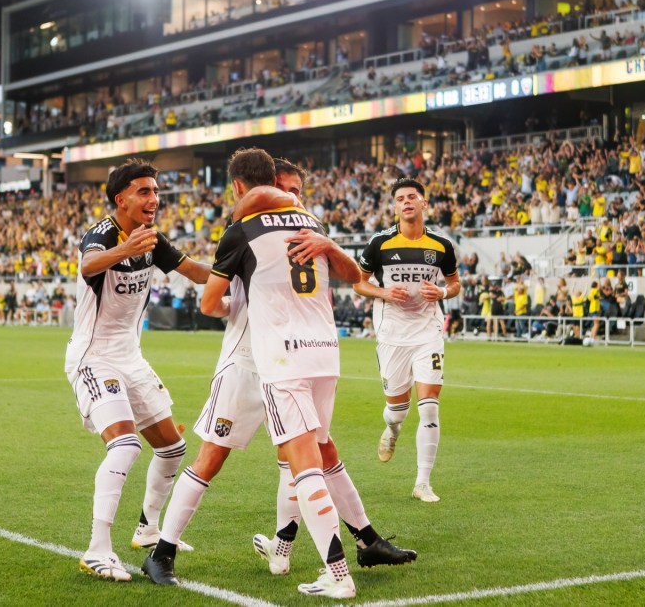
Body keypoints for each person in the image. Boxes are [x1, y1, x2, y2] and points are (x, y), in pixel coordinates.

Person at [142, 156, 415, 588]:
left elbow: (346, 275)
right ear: (269, 185)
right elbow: (218, 294)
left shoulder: (294, 229)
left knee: (314, 455)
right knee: (215, 457)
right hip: (247, 360)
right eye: (286, 189)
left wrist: (324, 244)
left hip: (285, 359)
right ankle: (163, 551)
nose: (292, 197)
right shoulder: (258, 225)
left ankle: (348, 541)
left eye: (298, 192)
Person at [187, 148, 355, 597]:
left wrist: (239, 303)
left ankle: (338, 575)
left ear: (238, 186)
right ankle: (286, 550)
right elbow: (355, 276)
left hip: (283, 357)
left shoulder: (242, 229)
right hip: (326, 353)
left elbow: (209, 303)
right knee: (310, 459)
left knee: (305, 468)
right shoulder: (312, 224)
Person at [65, 159, 211, 582]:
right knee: (125, 445)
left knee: (172, 448)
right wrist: (125, 250)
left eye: (156, 191)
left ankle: (148, 529)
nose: (154, 199)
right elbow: (89, 265)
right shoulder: (101, 234)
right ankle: (97, 549)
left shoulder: (153, 238)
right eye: (144, 191)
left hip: (131, 358)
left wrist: (237, 270)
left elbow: (195, 272)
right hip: (94, 357)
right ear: (121, 199)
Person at [354, 178, 461, 503]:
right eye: (400, 198)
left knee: (429, 407)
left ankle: (422, 483)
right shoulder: (380, 243)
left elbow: (455, 284)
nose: (406, 202)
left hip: (428, 332)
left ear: (424, 203)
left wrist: (441, 292)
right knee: (397, 411)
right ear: (395, 206)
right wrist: (384, 292)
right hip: (393, 334)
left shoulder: (441, 245)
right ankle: (392, 430)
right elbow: (359, 283)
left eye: (412, 196)